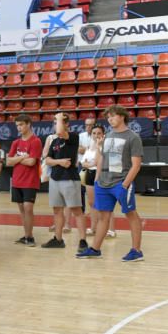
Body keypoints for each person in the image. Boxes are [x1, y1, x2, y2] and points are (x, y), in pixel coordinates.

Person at [77, 105, 144, 261]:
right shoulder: (107, 136)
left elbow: (136, 165)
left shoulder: (133, 137)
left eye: (113, 116)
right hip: (103, 183)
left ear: (122, 116)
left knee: (131, 214)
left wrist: (125, 185)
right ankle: (95, 249)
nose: (110, 119)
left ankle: (137, 251)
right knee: (103, 217)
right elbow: (101, 158)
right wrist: (97, 179)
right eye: (108, 117)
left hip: (121, 182)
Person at [41, 112, 85, 251]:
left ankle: (83, 241)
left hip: (69, 179)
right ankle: (58, 239)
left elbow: (60, 131)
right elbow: (47, 160)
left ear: (67, 124)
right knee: (57, 210)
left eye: (59, 122)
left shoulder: (73, 137)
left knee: (77, 210)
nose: (56, 125)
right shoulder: (54, 141)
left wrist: (60, 116)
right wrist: (59, 161)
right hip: (55, 179)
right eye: (54, 122)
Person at [6, 113, 42, 246]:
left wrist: (17, 159)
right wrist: (22, 157)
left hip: (30, 181)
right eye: (17, 125)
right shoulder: (16, 142)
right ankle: (26, 235)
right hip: (17, 181)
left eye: (21, 125)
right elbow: (8, 162)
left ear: (28, 124)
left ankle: (30, 237)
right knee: (22, 209)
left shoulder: (35, 141)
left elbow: (32, 162)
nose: (19, 128)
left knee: (28, 208)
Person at [80, 123, 107, 239]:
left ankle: (110, 229)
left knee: (104, 204)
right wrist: (88, 163)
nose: (96, 135)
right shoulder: (89, 146)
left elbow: (95, 162)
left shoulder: (103, 146)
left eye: (99, 133)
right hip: (89, 174)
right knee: (92, 204)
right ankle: (93, 228)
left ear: (103, 134)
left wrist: (88, 163)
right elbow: (83, 162)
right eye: (94, 133)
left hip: (100, 175)